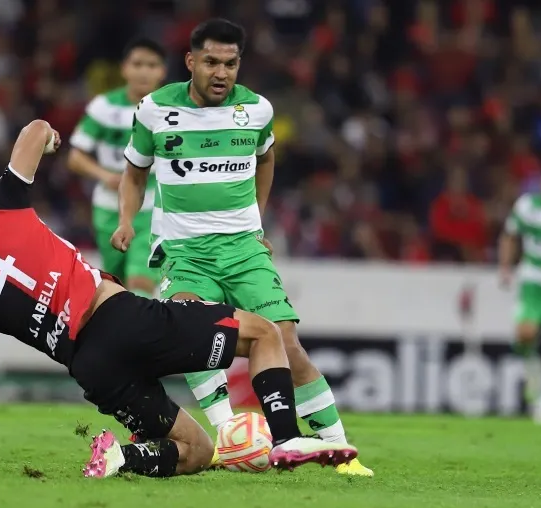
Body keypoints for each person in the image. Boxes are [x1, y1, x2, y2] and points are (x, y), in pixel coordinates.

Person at [0, 119, 358, 478]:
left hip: (92, 369)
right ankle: (286, 439)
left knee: (197, 451)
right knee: (264, 334)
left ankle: (120, 457)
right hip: (122, 319)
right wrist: (52, 140)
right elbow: (34, 130)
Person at [112, 18, 373, 476]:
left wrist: (256, 219)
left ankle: (338, 451)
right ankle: (229, 434)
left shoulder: (256, 110)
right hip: (186, 253)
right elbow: (135, 173)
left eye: (230, 64)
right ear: (191, 61)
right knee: (194, 335)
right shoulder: (154, 109)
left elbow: (265, 158)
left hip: (243, 250)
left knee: (285, 342)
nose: (221, 73)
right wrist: (126, 221)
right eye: (211, 62)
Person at [67, 38, 166, 298]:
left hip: (153, 206)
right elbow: (75, 156)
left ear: (162, 71)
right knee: (116, 282)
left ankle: (141, 323)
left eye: (151, 65)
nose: (144, 71)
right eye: (137, 64)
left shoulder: (171, 110)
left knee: (140, 279)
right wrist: (105, 175)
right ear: (124, 68)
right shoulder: (103, 107)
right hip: (109, 207)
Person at [500, 163, 541, 424]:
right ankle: (533, 371)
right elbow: (510, 234)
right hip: (533, 281)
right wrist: (506, 267)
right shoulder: (528, 206)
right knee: (525, 332)